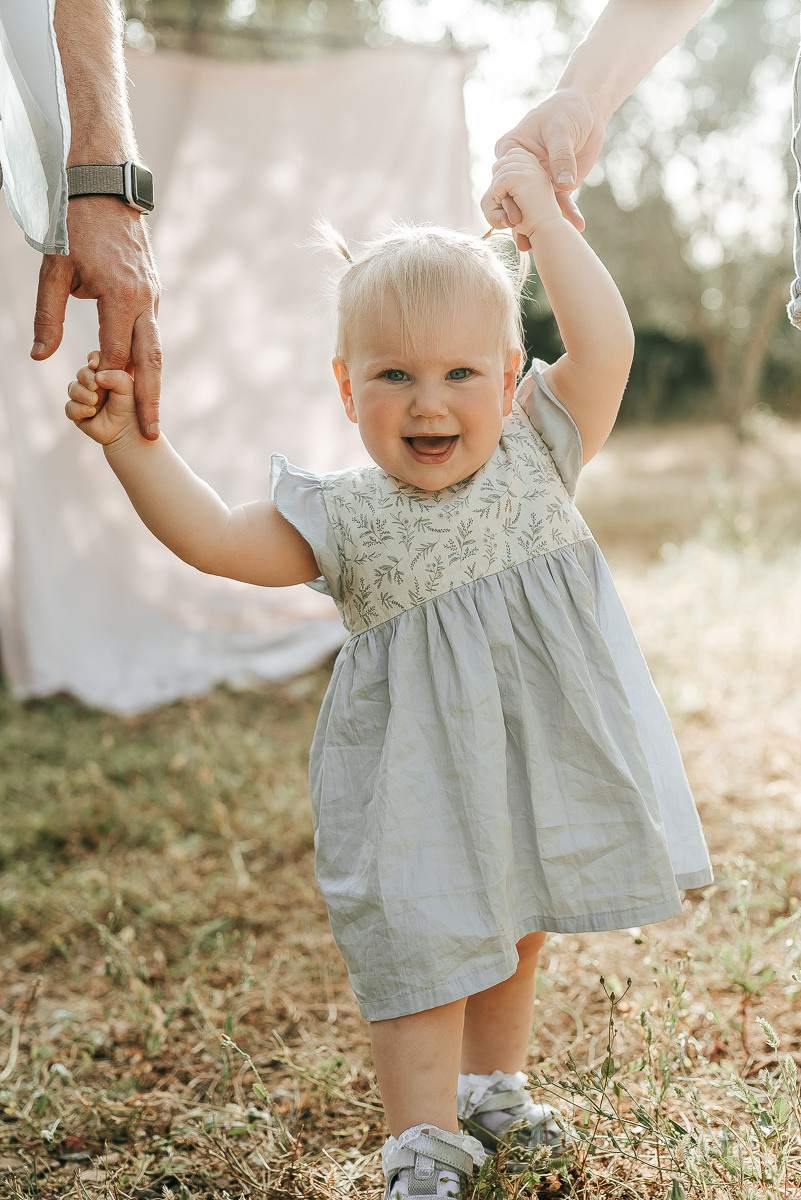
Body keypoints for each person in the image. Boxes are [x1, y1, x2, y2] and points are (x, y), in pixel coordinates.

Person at [64, 147, 712, 1197]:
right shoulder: (348, 516)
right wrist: (130, 446)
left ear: (509, 378)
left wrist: (543, 217)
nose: (429, 402)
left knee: (520, 916)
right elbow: (220, 539)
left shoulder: (540, 449)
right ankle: (419, 1137)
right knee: (424, 935)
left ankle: (493, 1084)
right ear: (345, 386)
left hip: (532, 751)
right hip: (416, 776)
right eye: (394, 375)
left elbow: (608, 340)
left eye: (461, 372)